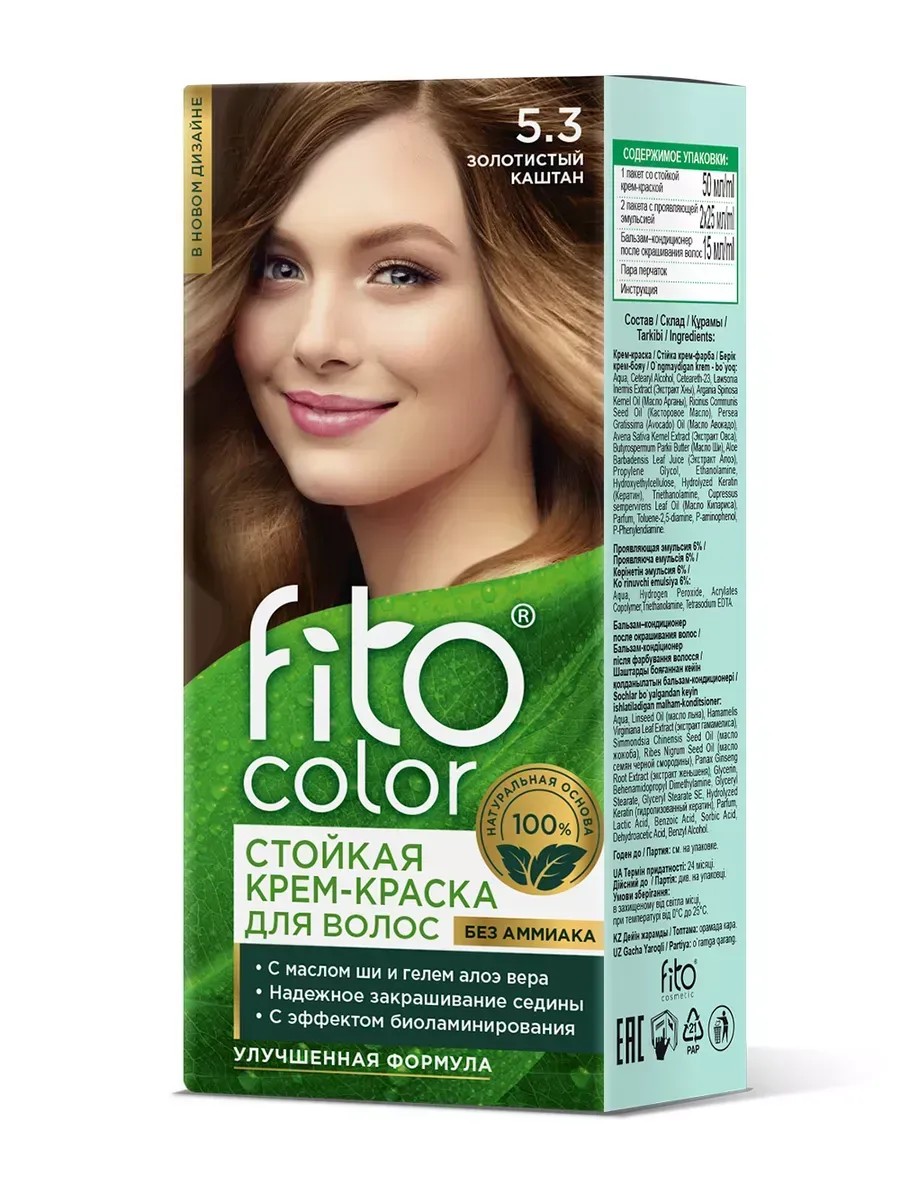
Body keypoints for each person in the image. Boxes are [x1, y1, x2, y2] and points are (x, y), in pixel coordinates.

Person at [185, 78, 604, 672]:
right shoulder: (289, 658)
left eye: (400, 274)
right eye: (280, 268)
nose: (315, 342)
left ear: (533, 303)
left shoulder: (587, 663)